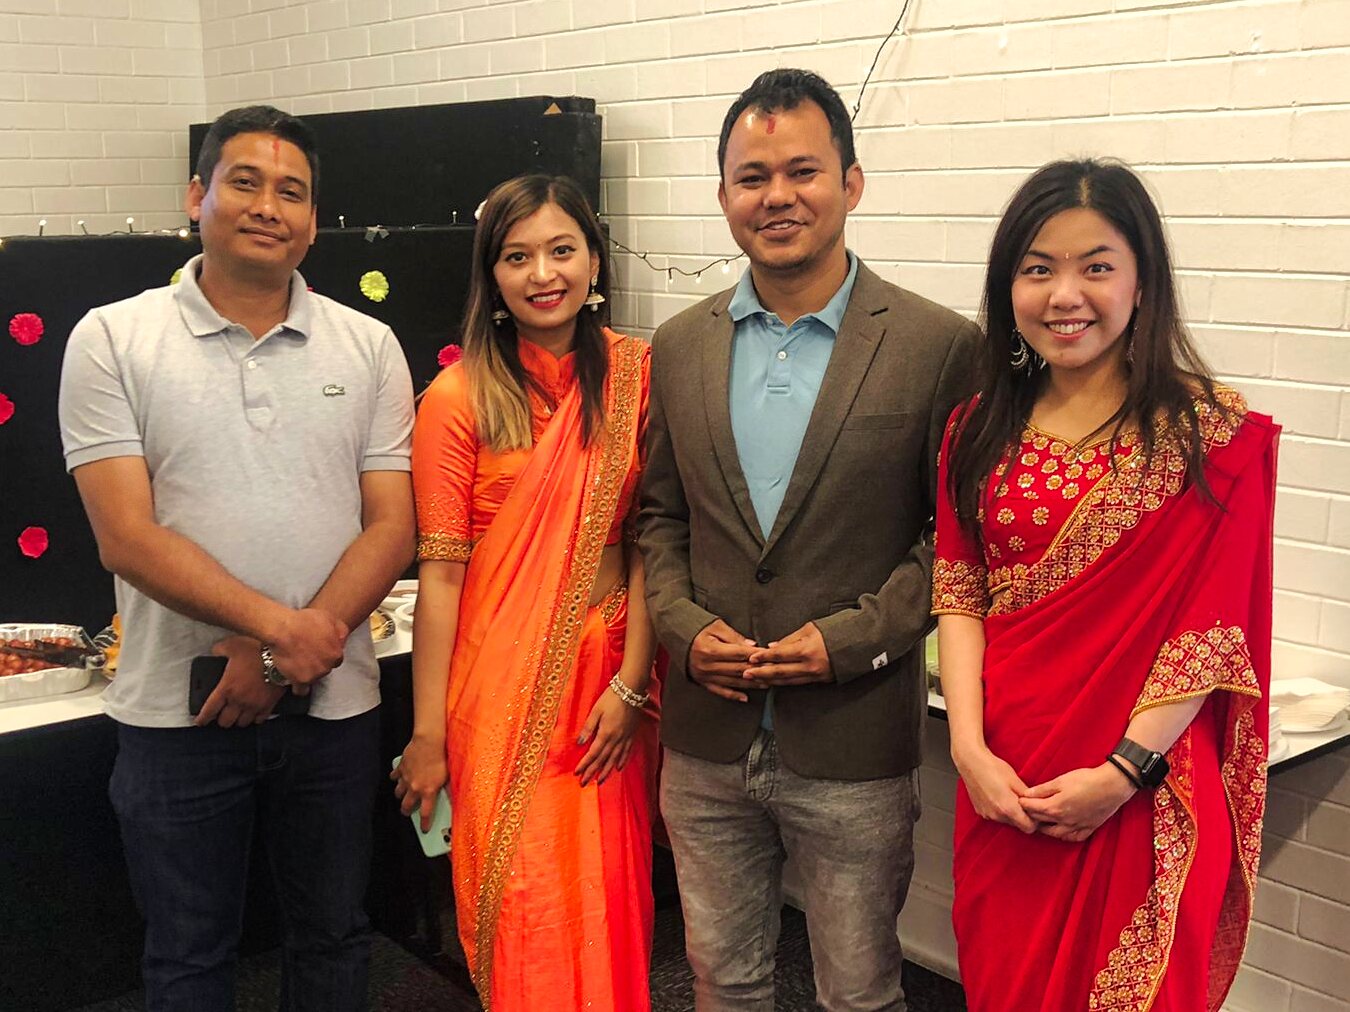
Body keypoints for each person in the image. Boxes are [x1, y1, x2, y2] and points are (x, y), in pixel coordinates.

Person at [57, 105, 415, 1011]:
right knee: (188, 956)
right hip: (175, 717)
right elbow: (125, 536)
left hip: (334, 708)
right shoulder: (111, 338)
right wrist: (275, 636)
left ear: (314, 220)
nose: (267, 206)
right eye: (244, 182)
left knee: (334, 936)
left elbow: (391, 527)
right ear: (196, 196)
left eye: (291, 191)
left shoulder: (368, 345)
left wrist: (289, 653)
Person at [640, 68, 979, 1011]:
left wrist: (849, 640)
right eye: (752, 177)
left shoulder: (937, 346)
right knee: (722, 979)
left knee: (859, 992)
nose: (777, 196)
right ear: (723, 196)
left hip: (853, 738)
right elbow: (660, 516)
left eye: (803, 171)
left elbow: (956, 544)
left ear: (852, 183)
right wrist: (680, 628)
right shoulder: (680, 344)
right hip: (705, 737)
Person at [933, 158, 1278, 1011]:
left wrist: (1124, 772)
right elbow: (961, 594)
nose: (1065, 295)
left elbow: (1212, 635)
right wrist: (968, 751)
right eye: (1037, 268)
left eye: (1096, 266)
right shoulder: (976, 427)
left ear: (1141, 282)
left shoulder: (1213, 439)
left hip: (1141, 792)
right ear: (1008, 285)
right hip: (1006, 781)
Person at [391, 174, 661, 1011]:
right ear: (492, 275)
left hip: (608, 689)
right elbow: (440, 576)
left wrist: (633, 683)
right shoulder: (456, 399)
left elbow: (656, 542)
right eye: (517, 257)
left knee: (608, 898)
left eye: (561, 250)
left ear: (594, 260)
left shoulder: (638, 377)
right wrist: (427, 733)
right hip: (498, 697)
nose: (543, 273)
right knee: (525, 898)